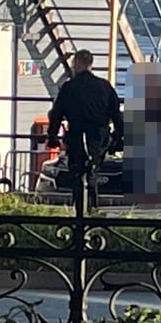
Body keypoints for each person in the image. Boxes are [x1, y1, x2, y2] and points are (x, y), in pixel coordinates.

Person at [46, 49, 124, 212]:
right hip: (98, 136)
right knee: (93, 171)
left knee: (77, 172)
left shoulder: (69, 87)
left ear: (77, 64)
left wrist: (52, 136)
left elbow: (56, 114)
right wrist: (118, 138)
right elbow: (117, 115)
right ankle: (93, 207)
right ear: (90, 64)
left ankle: (78, 209)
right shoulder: (104, 87)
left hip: (76, 134)